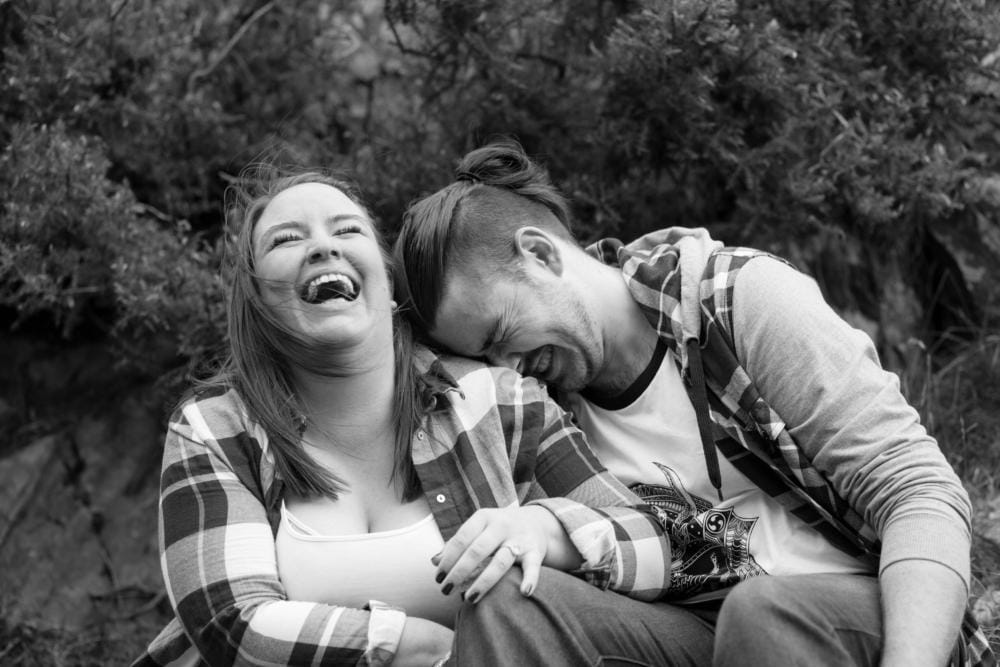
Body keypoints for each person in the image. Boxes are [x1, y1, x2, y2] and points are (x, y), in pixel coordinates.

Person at [393, 140, 997, 667]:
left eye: (500, 337)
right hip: (703, 628)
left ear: (543, 255)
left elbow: (919, 492)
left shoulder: (736, 299)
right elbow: (696, 552)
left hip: (858, 618)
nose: (508, 369)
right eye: (484, 358)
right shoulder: (549, 412)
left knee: (763, 613)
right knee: (511, 603)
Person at [133, 167, 718, 667]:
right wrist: (412, 644)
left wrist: (551, 529)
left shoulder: (496, 402)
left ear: (387, 287)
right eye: (287, 239)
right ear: (257, 301)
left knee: (507, 597)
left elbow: (692, 550)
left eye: (347, 230)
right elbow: (231, 625)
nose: (323, 246)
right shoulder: (215, 429)